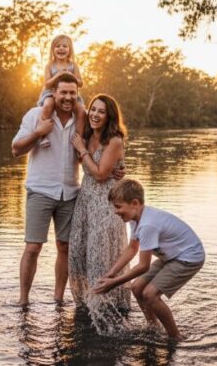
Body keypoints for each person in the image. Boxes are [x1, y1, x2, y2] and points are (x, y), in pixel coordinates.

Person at [93, 178, 205, 341]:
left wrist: (115, 282)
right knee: (137, 288)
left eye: (118, 206)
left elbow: (143, 266)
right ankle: (153, 327)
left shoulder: (148, 225)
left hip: (188, 258)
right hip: (171, 256)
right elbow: (132, 249)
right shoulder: (135, 218)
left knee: (150, 294)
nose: (115, 211)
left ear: (135, 203)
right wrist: (111, 273)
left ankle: (175, 337)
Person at [12, 72, 82, 306]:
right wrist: (38, 133)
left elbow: (93, 151)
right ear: (54, 93)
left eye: (72, 93)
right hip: (40, 190)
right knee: (33, 247)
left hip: (70, 193)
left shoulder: (80, 121)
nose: (68, 97)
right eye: (63, 92)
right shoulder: (35, 115)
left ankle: (58, 299)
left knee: (65, 247)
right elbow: (16, 149)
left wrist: (116, 169)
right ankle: (23, 300)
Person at [68, 94, 131, 335]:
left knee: (99, 257)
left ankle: (107, 309)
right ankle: (85, 307)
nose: (94, 114)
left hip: (105, 206)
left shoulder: (113, 140)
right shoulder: (86, 133)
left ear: (110, 116)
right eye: (93, 109)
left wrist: (82, 150)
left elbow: (101, 174)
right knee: (78, 253)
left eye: (101, 111)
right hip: (85, 203)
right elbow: (75, 101)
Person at [36, 35, 86, 149]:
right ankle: (43, 135)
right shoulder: (50, 66)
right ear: (53, 50)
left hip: (70, 94)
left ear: (69, 50)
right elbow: (47, 84)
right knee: (48, 105)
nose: (61, 48)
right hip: (50, 93)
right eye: (58, 46)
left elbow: (80, 83)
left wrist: (70, 75)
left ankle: (79, 138)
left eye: (65, 46)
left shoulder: (73, 65)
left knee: (81, 111)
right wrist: (58, 75)